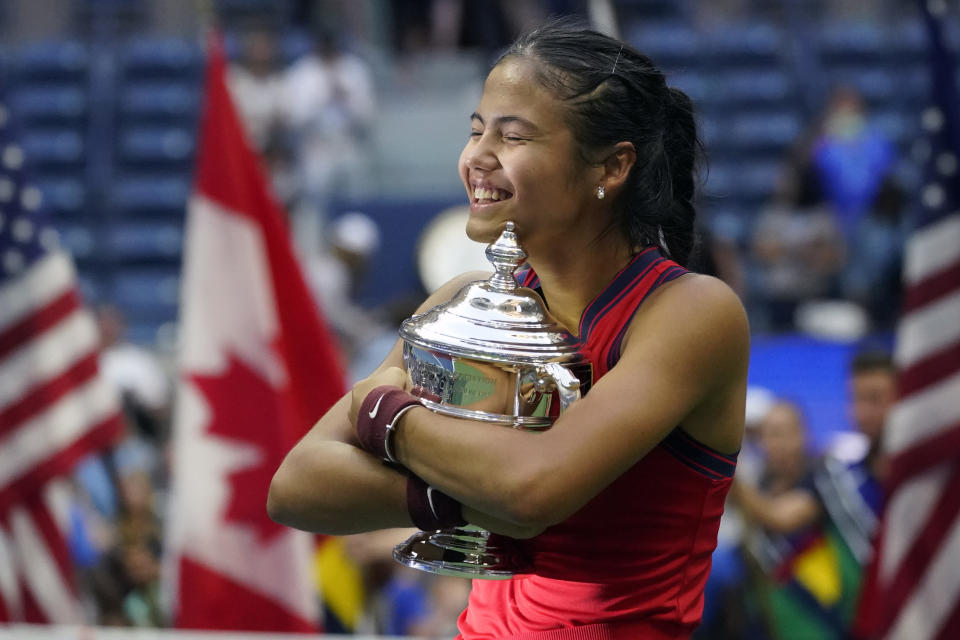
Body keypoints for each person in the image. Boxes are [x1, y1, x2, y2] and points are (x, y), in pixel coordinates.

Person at [269, 19, 749, 639]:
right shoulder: (463, 298)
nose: (477, 157)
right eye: (476, 131)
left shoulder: (691, 312)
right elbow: (296, 484)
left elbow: (532, 493)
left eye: (513, 136)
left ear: (610, 166)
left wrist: (379, 408)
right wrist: (451, 499)